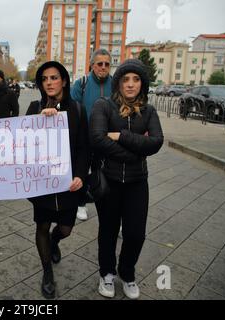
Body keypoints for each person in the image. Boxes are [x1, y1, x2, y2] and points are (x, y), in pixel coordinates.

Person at [89, 59, 164, 299]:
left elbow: (156, 142)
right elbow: (98, 139)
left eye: (136, 79)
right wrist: (136, 150)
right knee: (108, 231)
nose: (130, 85)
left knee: (135, 234)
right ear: (118, 82)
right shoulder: (104, 106)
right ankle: (107, 273)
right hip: (109, 181)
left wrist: (120, 136)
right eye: (125, 79)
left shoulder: (149, 111)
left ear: (143, 83)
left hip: (137, 182)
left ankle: (127, 272)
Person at [26, 61, 90, 299]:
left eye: (54, 78)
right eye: (44, 79)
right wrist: (40, 122)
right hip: (42, 183)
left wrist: (80, 176)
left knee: (66, 229)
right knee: (41, 226)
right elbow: (23, 144)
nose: (49, 83)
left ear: (63, 80)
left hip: (68, 184)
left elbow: (84, 148)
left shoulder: (78, 110)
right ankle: (47, 273)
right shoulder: (34, 108)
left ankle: (55, 241)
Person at [71, 48, 113, 221]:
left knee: (104, 173)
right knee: (82, 171)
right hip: (85, 138)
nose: (103, 67)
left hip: (109, 138)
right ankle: (81, 204)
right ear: (92, 65)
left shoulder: (117, 83)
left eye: (107, 64)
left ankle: (105, 207)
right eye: (99, 64)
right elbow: (73, 110)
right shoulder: (81, 83)